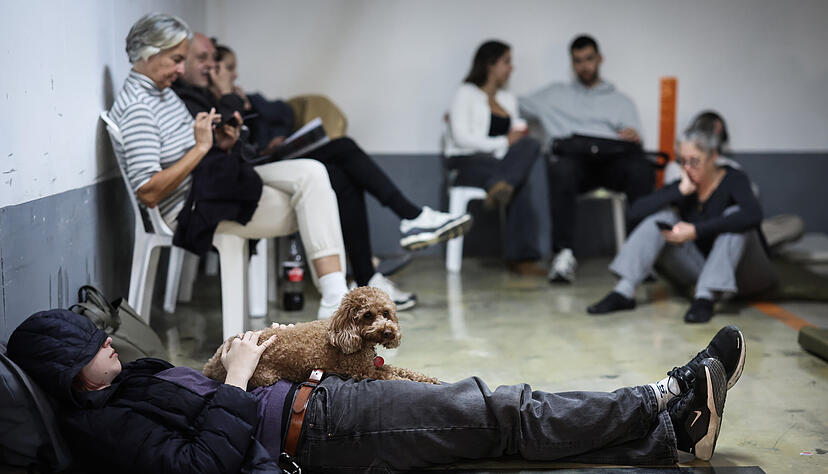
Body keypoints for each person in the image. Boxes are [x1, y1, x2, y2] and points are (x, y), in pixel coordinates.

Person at [8, 308, 746, 472]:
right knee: (496, 410)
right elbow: (205, 465)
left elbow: (198, 403)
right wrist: (234, 381)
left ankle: (671, 432)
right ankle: (663, 396)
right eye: (93, 346)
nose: (109, 343)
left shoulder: (126, 381)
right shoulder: (102, 430)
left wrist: (241, 354)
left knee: (491, 411)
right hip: (315, 433)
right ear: (69, 374)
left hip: (317, 400)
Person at [180, 37, 472, 309]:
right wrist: (226, 96)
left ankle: (366, 277)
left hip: (266, 162)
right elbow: (230, 144)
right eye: (210, 62)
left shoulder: (240, 97)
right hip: (250, 172)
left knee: (342, 176)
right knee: (343, 146)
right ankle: (411, 217)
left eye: (222, 65)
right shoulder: (200, 99)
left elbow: (282, 112)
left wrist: (274, 134)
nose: (218, 70)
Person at [109, 13, 350, 319]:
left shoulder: (162, 94)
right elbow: (148, 193)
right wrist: (200, 148)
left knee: (314, 173)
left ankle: (335, 296)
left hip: (212, 182)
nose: (181, 70)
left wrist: (218, 141)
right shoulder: (137, 108)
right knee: (314, 204)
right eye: (176, 59)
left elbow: (194, 150)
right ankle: (335, 298)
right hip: (192, 207)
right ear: (149, 52)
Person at [587, 121, 776, 323]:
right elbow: (635, 212)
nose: (687, 168)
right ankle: (624, 291)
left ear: (713, 157)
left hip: (748, 272)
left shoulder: (733, 179)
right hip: (706, 270)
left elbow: (753, 214)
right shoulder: (685, 185)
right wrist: (677, 191)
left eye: (694, 161)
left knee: (735, 216)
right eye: (682, 162)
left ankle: (705, 297)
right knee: (663, 219)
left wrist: (696, 230)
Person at [520, 35, 655, 283]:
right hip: (574, 164)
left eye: (589, 59)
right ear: (572, 64)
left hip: (611, 163)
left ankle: (640, 256)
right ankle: (563, 255)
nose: (584, 66)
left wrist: (633, 135)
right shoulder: (554, 95)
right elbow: (513, 105)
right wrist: (478, 107)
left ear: (599, 59)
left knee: (641, 169)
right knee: (560, 168)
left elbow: (634, 136)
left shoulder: (620, 101)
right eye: (578, 61)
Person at [443, 40, 546, 275]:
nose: (512, 68)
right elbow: (461, 138)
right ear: (490, 64)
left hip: (498, 162)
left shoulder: (508, 99)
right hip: (466, 160)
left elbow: (516, 136)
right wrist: (503, 142)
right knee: (519, 181)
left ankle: (501, 185)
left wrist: (515, 140)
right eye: (507, 61)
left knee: (530, 144)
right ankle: (522, 260)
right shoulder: (465, 93)